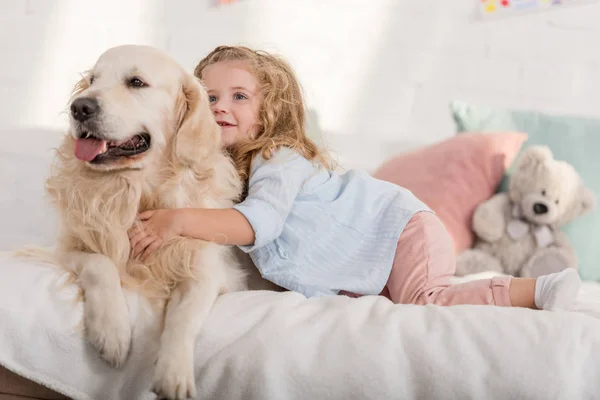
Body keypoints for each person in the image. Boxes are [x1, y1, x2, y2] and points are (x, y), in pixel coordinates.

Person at [128, 45, 580, 310]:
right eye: (209, 96)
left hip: (404, 229)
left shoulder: (276, 157)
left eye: (239, 96)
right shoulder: (228, 168)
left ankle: (540, 290)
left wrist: (178, 220)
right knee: (401, 299)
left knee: (426, 302)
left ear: (270, 113)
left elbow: (257, 224)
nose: (220, 105)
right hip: (381, 253)